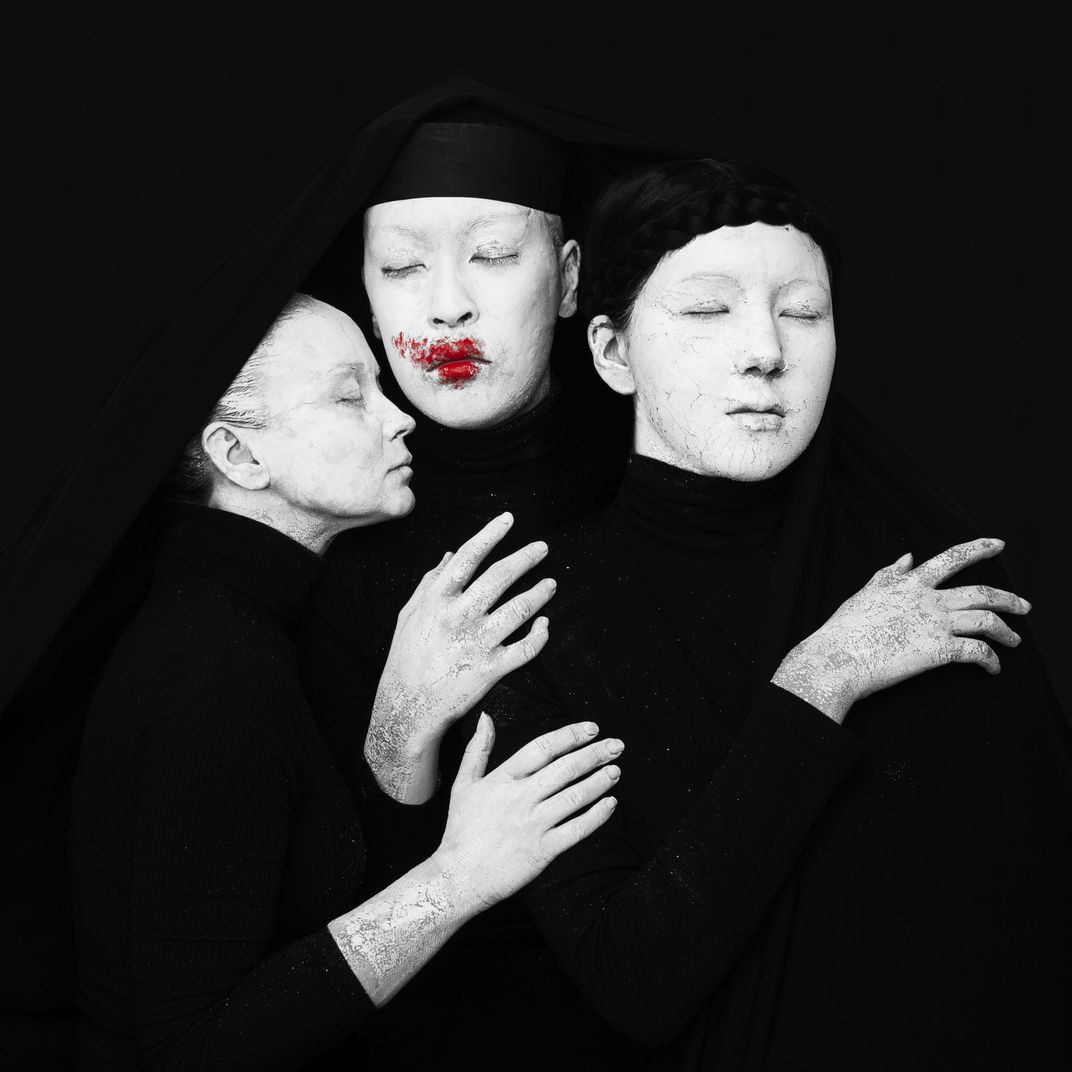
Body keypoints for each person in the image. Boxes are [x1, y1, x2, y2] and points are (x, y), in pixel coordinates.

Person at [481, 159, 1072, 1069]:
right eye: (707, 310)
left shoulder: (931, 588)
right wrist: (820, 678)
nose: (766, 350)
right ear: (612, 353)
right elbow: (634, 980)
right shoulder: (535, 616)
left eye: (802, 312)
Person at [68, 294, 622, 1071]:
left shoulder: (245, 623)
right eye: (347, 396)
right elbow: (188, 1050)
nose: (398, 419)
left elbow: (317, 919)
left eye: (380, 388)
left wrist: (403, 723)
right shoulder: (212, 666)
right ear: (239, 455)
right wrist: (459, 876)